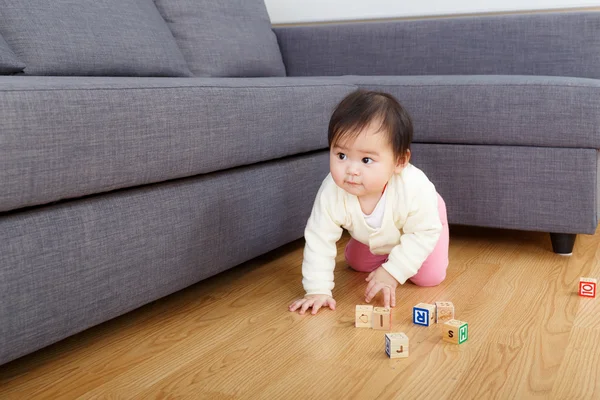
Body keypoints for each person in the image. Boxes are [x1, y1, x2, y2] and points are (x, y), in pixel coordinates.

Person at [288, 89, 449, 315]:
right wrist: (317, 289)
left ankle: (395, 254)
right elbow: (319, 237)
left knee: (429, 277)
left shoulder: (414, 189)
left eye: (366, 160)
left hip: (424, 225)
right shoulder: (332, 191)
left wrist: (393, 271)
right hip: (373, 232)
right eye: (341, 155)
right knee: (358, 264)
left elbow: (424, 231)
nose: (351, 170)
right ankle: (381, 247)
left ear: (400, 161)